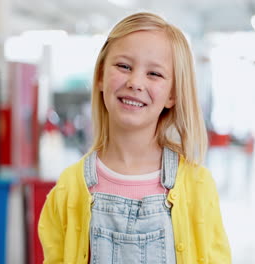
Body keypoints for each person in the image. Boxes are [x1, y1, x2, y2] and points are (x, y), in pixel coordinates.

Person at [39, 12, 231, 263]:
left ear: (172, 95)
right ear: (99, 77)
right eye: (124, 66)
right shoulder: (69, 188)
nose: (135, 82)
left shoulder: (197, 186)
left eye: (154, 74)